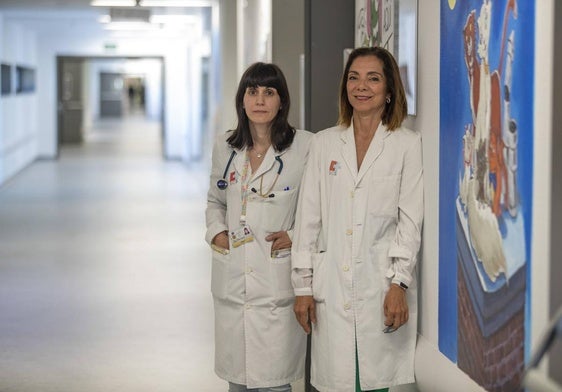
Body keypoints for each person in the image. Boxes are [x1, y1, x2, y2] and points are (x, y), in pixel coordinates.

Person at [291, 46, 424, 392]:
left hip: (380, 286)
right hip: (331, 289)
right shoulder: (323, 144)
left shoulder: (407, 145)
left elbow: (409, 222)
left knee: (375, 380)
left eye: (373, 78)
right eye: (354, 77)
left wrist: (399, 283)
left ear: (390, 90)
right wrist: (302, 287)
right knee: (335, 381)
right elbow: (308, 221)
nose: (361, 86)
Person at [205, 62, 311, 391]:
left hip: (276, 279)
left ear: (282, 101)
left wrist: (295, 236)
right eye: (252, 92)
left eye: (269, 92)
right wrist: (217, 233)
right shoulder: (225, 146)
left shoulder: (304, 146)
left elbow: (317, 209)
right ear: (242, 100)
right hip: (233, 275)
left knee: (275, 382)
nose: (260, 100)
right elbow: (215, 201)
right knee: (238, 381)